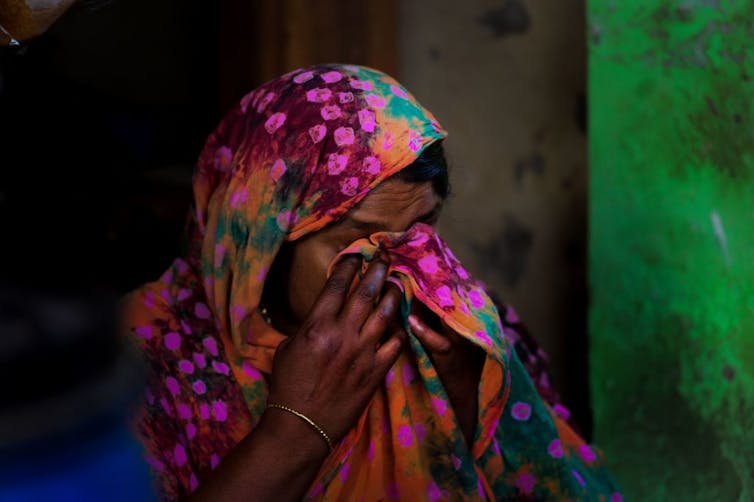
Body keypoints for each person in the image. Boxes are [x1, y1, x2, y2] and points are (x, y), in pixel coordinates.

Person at [122, 64, 620, 501]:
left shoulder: (461, 327)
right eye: (358, 239)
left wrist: (473, 398)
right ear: (261, 239)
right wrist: (295, 429)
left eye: (422, 230)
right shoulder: (143, 358)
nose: (397, 268)